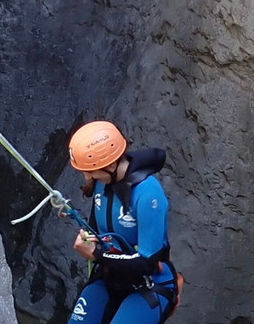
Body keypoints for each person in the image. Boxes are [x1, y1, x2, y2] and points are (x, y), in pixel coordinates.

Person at [66, 120, 181, 324]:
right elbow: (97, 232)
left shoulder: (148, 194)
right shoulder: (103, 184)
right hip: (110, 276)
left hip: (149, 282)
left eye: (91, 170)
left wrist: (96, 254)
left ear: (111, 164)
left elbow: (147, 262)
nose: (86, 176)